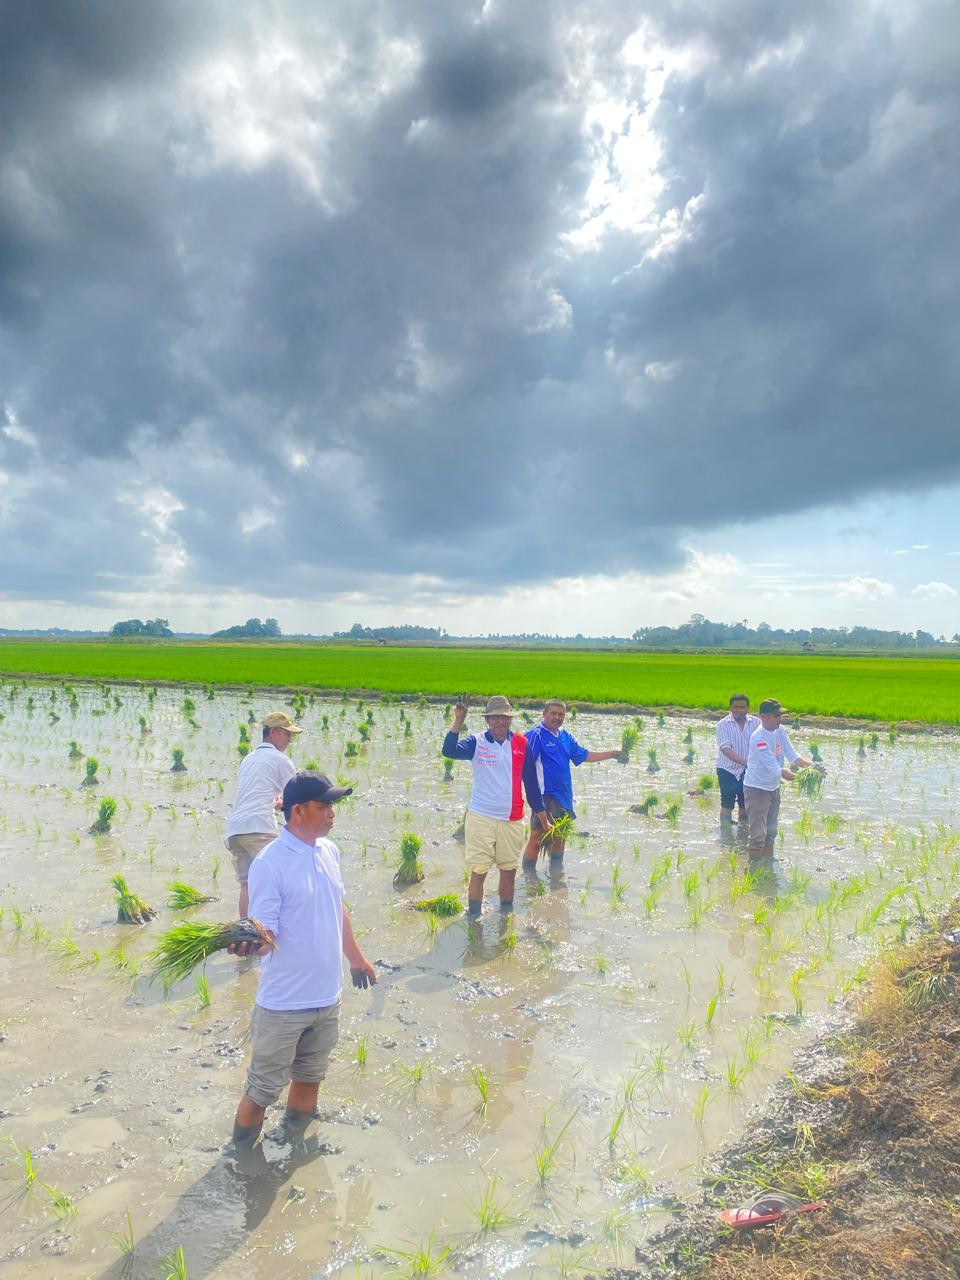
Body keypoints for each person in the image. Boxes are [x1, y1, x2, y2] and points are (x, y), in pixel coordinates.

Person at [230, 771, 377, 1146]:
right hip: (284, 1004)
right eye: (323, 805)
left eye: (333, 805)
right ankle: (241, 1161)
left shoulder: (329, 851)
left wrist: (357, 959)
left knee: (311, 1078)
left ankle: (295, 1148)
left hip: (327, 998)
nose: (332, 813)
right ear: (297, 811)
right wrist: (250, 945)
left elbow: (336, 909)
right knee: (262, 1091)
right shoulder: (270, 863)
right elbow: (266, 936)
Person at [442, 695, 546, 915]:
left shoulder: (521, 743)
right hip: (481, 818)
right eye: (495, 718)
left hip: (512, 819)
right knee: (479, 872)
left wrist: (544, 820)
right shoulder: (476, 742)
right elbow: (449, 751)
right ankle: (474, 922)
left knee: (508, 871)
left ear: (510, 720)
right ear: (487, 720)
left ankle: (504, 918)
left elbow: (532, 785)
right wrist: (459, 720)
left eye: (505, 718)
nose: (500, 722)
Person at [521, 699, 626, 867]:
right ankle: (528, 877)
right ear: (544, 714)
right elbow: (522, 764)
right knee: (537, 836)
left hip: (564, 796)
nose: (557, 717)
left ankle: (556, 873)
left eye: (561, 714)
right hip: (545, 796)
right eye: (553, 713)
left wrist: (613, 754)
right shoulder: (536, 735)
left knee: (561, 836)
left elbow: (584, 756)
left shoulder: (565, 736)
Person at [224, 711, 301, 917]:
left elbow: (256, 793)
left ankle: (246, 935)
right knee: (283, 877)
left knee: (248, 884)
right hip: (258, 828)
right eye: (287, 734)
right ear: (274, 732)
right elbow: (297, 797)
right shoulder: (280, 760)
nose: (290, 739)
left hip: (234, 831)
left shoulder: (249, 758)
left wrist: (277, 803)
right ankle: (281, 931)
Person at [743, 699, 819, 858]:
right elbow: (775, 768)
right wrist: (800, 778)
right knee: (758, 835)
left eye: (781, 716)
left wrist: (812, 767)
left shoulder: (780, 730)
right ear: (764, 716)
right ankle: (755, 871)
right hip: (757, 790)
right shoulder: (759, 738)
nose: (780, 719)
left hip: (773, 788)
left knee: (770, 832)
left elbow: (792, 755)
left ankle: (768, 866)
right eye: (776, 716)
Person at [715, 693, 761, 826]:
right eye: (736, 707)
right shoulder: (723, 725)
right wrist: (746, 763)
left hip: (749, 771)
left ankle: (743, 834)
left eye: (742, 707)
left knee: (745, 804)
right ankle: (726, 835)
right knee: (727, 803)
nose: (739, 710)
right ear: (730, 708)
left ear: (748, 708)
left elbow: (762, 745)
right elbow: (725, 748)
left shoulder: (757, 723)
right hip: (727, 769)